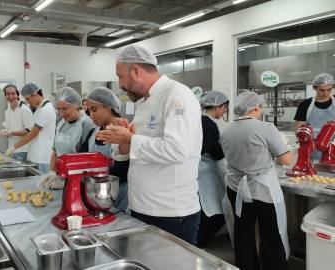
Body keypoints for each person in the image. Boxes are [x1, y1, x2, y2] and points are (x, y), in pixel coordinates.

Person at [96, 45, 203, 244]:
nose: (119, 84)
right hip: (141, 207)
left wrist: (131, 139)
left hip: (171, 213)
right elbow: (137, 153)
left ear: (136, 71)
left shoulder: (177, 95)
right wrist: (123, 142)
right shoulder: (143, 103)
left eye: (120, 76)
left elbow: (177, 150)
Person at [221, 91, 292, 270]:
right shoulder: (265, 128)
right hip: (262, 191)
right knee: (271, 234)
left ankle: (246, 266)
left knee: (243, 233)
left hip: (236, 189)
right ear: (255, 108)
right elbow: (288, 160)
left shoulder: (226, 131)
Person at [80, 86, 130, 212]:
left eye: (94, 110)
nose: (91, 115)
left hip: (119, 198)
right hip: (96, 196)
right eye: (89, 111)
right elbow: (81, 158)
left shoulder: (123, 132)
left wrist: (93, 171)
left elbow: (123, 170)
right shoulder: (93, 132)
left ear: (108, 107)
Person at [40, 86, 95, 189]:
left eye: (65, 109)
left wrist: (68, 181)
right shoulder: (61, 124)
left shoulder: (87, 124)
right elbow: (55, 151)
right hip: (60, 177)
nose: (61, 113)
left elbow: (86, 161)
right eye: (58, 109)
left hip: (79, 182)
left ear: (77, 106)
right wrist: (52, 172)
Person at [196, 90, 229, 248]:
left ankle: (196, 244)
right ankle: (196, 246)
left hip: (200, 172)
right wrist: (228, 177)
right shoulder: (208, 124)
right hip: (205, 175)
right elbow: (217, 153)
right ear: (217, 107)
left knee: (210, 212)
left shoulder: (200, 121)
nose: (224, 112)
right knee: (214, 213)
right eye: (224, 109)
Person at [6, 82, 56, 173]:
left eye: (28, 99)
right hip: (35, 154)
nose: (28, 102)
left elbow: (32, 134)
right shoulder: (39, 109)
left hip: (43, 156)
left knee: (41, 185)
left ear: (35, 94)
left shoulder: (46, 110)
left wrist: (13, 147)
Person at [294, 73, 335, 159]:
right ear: (314, 88)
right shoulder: (305, 104)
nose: (326, 93)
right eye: (322, 90)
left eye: (329, 89)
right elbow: (298, 129)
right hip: (313, 149)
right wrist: (304, 145)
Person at [0, 84, 33, 161]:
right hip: (12, 149)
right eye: (8, 94)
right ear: (5, 96)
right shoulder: (7, 111)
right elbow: (11, 126)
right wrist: (4, 131)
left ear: (17, 94)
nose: (11, 96)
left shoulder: (24, 110)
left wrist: (11, 132)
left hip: (23, 150)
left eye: (13, 93)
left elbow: (29, 131)